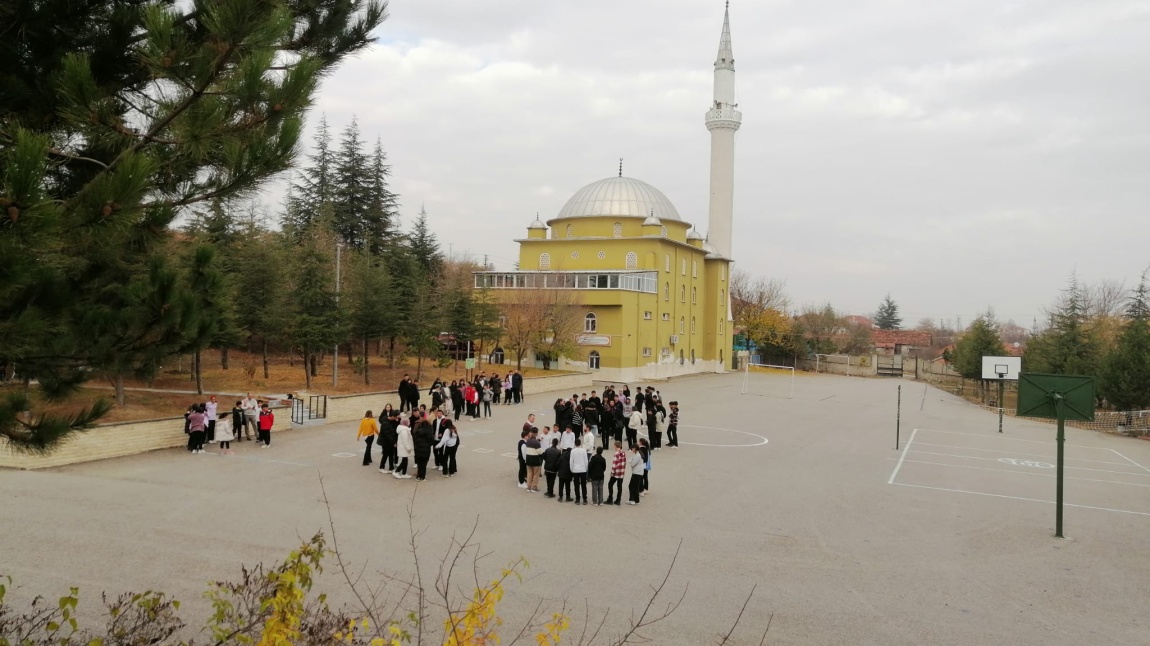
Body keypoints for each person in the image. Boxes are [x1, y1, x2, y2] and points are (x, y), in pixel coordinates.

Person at [606, 441, 626, 506]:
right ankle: (618, 500)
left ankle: (610, 498)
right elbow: (624, 462)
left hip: (616, 472)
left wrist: (612, 472)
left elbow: (614, 464)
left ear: (615, 446)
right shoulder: (623, 452)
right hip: (621, 472)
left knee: (610, 484)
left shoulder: (616, 454)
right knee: (619, 486)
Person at [569, 438, 589, 505]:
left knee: (576, 485)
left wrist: (571, 469)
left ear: (575, 443)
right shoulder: (584, 450)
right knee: (583, 485)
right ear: (580, 443)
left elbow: (571, 461)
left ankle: (577, 499)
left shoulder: (573, 451)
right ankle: (585, 499)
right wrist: (586, 469)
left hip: (575, 469)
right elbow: (586, 461)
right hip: (583, 469)